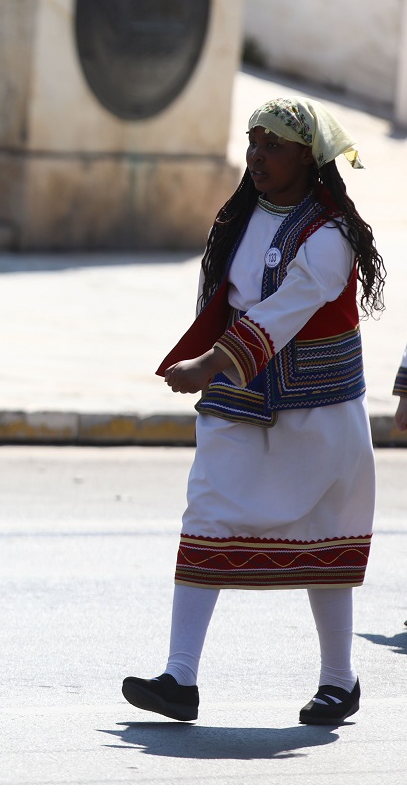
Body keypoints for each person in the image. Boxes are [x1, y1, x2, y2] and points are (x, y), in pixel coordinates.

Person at [123, 97, 382, 726]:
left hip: (315, 408)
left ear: (306, 156)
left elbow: (283, 310)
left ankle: (338, 681)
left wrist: (208, 363)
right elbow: (233, 295)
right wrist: (216, 364)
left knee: (325, 533)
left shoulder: (331, 237)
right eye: (252, 142)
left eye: (273, 146)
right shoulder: (242, 216)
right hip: (241, 396)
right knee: (208, 509)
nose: (256, 157)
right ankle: (179, 677)